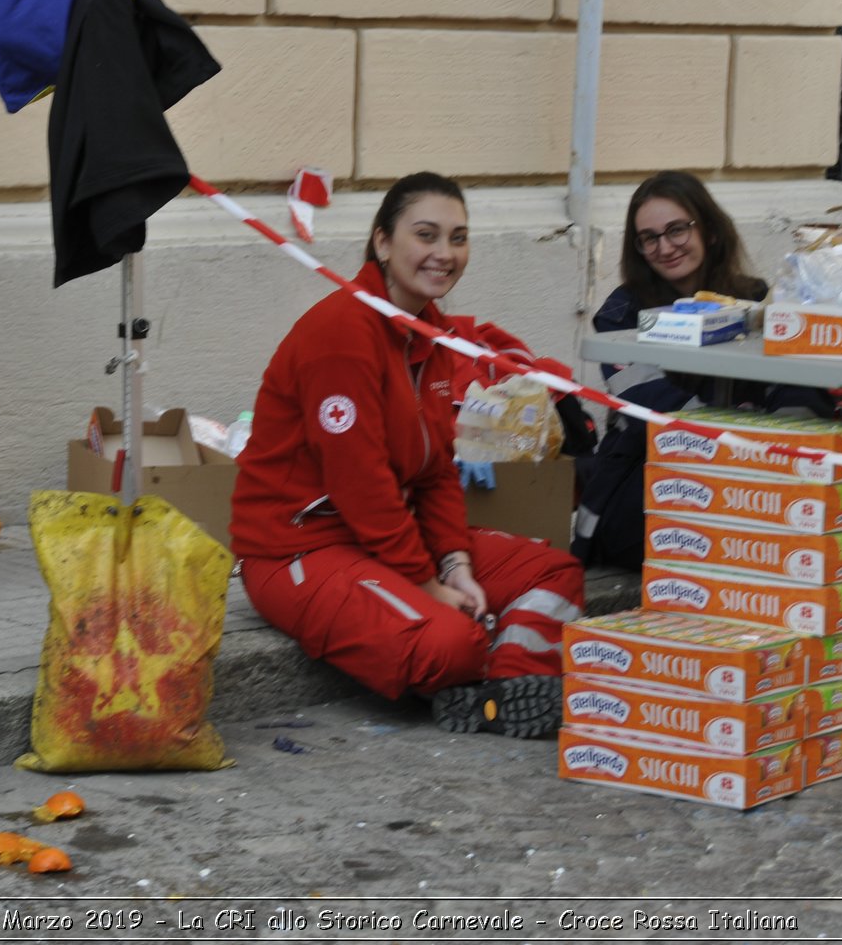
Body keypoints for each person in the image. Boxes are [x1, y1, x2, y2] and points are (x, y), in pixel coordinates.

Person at [230, 172, 585, 738]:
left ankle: (510, 693)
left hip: (391, 540)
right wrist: (428, 586)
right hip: (300, 550)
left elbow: (437, 472)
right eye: (427, 235)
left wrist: (456, 565)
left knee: (555, 572)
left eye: (458, 237)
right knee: (449, 641)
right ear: (382, 242)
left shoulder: (434, 335)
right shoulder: (341, 332)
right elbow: (360, 486)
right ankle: (489, 669)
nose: (445, 254)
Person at [574, 170, 835, 568]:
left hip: (750, 473)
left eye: (677, 230)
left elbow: (796, 387)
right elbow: (652, 407)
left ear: (709, 231)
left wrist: (775, 441)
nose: (665, 247)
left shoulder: (755, 298)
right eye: (649, 238)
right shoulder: (621, 313)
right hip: (650, 475)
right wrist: (735, 437)